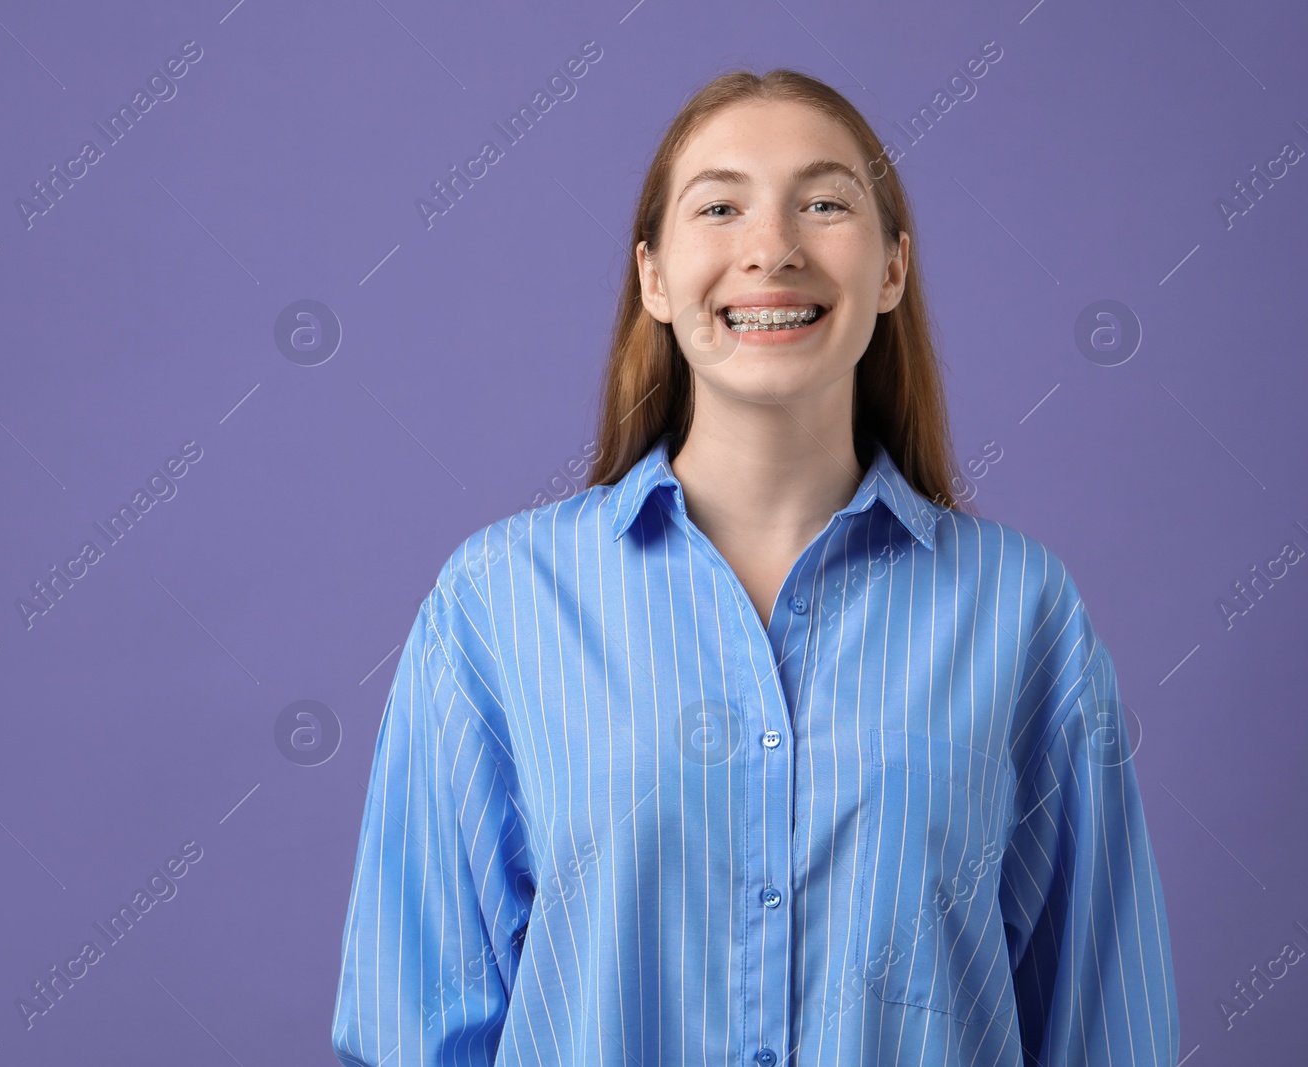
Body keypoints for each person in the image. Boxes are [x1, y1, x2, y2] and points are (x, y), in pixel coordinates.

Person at [331, 68, 1178, 1066]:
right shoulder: (495, 605)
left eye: (824, 203)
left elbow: (1103, 1024)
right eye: (719, 206)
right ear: (653, 275)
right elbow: (410, 1025)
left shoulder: (1022, 610)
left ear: (893, 269)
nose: (771, 248)